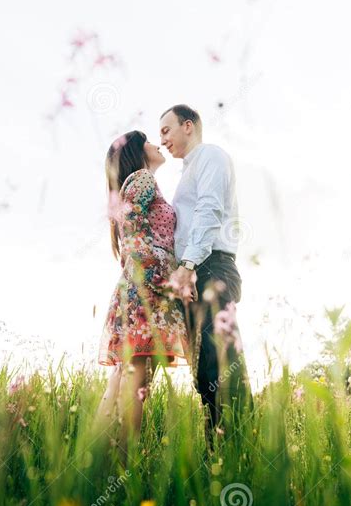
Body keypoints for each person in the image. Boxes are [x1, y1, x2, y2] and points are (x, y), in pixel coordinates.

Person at [159, 104, 249, 439]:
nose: (163, 140)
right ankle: (217, 447)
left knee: (221, 360)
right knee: (203, 369)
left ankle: (238, 444)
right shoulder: (186, 173)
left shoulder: (210, 156)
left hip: (210, 266)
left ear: (187, 126)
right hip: (195, 272)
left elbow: (210, 209)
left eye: (166, 130)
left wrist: (187, 265)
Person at [97, 130, 189, 455]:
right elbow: (136, 237)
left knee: (126, 374)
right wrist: (164, 284)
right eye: (149, 141)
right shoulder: (142, 179)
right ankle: (124, 465)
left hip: (137, 288)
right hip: (144, 290)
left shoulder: (134, 184)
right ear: (137, 153)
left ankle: (97, 458)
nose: (157, 144)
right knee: (136, 379)